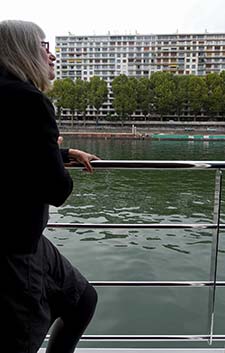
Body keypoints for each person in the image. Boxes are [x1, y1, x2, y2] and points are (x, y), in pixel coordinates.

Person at [0, 20, 98, 353]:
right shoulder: (30, 100)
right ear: (22, 50)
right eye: (44, 46)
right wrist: (55, 159)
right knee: (21, 340)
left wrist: (60, 151)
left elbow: (10, 152)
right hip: (16, 248)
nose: (52, 55)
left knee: (82, 299)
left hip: (22, 239)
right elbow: (58, 190)